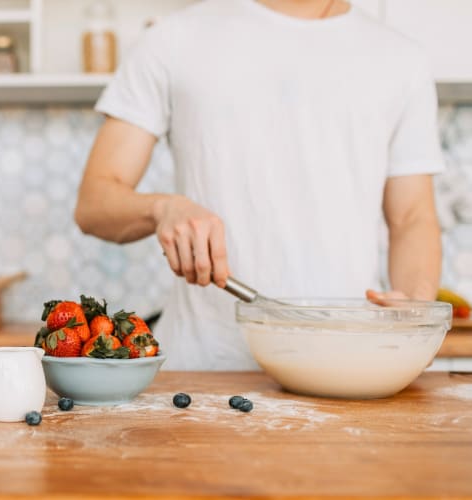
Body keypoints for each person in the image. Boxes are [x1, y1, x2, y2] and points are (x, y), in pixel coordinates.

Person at [74, 0, 444, 370]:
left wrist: (416, 306)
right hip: (205, 370)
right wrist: (162, 208)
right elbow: (95, 204)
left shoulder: (400, 59)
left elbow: (411, 217)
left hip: (346, 366)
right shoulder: (171, 40)